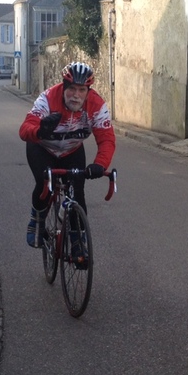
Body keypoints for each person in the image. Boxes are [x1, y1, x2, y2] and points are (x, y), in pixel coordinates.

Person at [19, 62, 116, 260]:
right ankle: (37, 221)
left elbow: (107, 139)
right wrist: (40, 131)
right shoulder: (47, 99)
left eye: (81, 90)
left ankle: (78, 240)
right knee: (44, 184)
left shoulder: (96, 105)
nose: (76, 95)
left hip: (72, 151)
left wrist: (100, 164)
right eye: (71, 88)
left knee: (77, 192)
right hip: (42, 148)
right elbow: (25, 129)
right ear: (63, 87)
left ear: (88, 91)